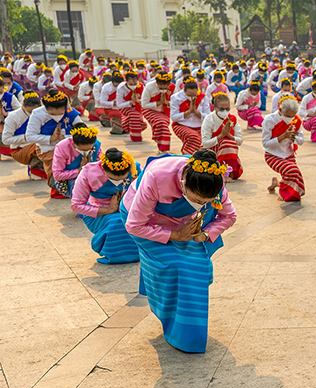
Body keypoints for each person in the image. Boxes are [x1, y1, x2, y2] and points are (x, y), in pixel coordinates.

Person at [122, 149, 237, 353]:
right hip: (145, 222)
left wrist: (206, 234)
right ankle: (176, 327)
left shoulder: (213, 182)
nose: (200, 206)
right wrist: (174, 235)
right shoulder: (156, 177)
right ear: (183, 183)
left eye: (205, 202)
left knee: (197, 267)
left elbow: (229, 216)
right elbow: (134, 225)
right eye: (196, 200)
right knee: (173, 265)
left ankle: (186, 328)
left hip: (184, 226)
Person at [71, 148, 140, 264]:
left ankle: (135, 253)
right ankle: (114, 255)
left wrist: (126, 206)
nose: (118, 181)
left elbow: (144, 195)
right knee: (117, 222)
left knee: (132, 221)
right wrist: (108, 210)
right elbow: (76, 205)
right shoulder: (89, 172)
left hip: (129, 209)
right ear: (103, 169)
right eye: (113, 178)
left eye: (122, 179)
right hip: (98, 212)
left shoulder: (135, 169)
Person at [26, 89, 85, 195]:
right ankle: (61, 190)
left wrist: (65, 138)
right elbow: (30, 136)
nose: (58, 117)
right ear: (46, 108)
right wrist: (50, 139)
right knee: (58, 165)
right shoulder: (38, 114)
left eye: (61, 112)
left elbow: (82, 131)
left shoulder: (71, 112)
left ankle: (78, 187)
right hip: (47, 148)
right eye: (53, 113)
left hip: (71, 146)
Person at [262, 95, 305, 201]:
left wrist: (292, 137)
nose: (290, 119)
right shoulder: (270, 120)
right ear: (280, 110)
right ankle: (283, 193)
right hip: (273, 155)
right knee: (292, 170)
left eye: (292, 116)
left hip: (288, 154)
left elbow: (301, 140)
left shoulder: (296, 121)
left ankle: (277, 184)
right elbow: (265, 143)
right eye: (288, 116)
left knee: (295, 174)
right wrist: (282, 137)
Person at [2, 91, 48, 180]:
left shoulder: (41, 113)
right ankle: (36, 172)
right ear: (23, 105)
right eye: (30, 111)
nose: (33, 114)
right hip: (19, 149)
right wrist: (26, 137)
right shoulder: (12, 117)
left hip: (34, 144)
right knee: (40, 146)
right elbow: (5, 140)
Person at [201, 92, 243, 181]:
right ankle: (221, 173)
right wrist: (221, 135)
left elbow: (239, 141)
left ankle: (228, 171)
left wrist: (229, 136)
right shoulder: (209, 119)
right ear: (214, 107)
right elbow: (205, 143)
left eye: (227, 109)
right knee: (225, 143)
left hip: (229, 152)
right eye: (221, 109)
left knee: (228, 142)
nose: (225, 112)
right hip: (212, 152)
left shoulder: (232, 119)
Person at [51, 125, 102, 198]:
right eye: (82, 150)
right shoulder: (62, 147)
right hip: (68, 179)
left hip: (92, 174)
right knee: (81, 189)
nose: (86, 152)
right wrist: (79, 170)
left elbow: (101, 165)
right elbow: (57, 175)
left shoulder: (95, 144)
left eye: (89, 149)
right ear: (73, 142)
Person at [170, 77, 210, 155]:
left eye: (194, 95)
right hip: (181, 124)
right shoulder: (176, 97)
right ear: (184, 91)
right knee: (194, 138)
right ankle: (187, 158)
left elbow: (207, 115)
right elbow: (174, 117)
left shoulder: (203, 97)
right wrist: (188, 112)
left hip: (199, 125)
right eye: (189, 95)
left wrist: (196, 112)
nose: (192, 97)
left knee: (205, 144)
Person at [141, 71, 174, 154]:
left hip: (165, 112)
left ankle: (161, 144)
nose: (163, 90)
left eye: (166, 87)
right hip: (150, 110)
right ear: (157, 83)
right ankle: (163, 149)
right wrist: (157, 103)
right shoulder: (149, 87)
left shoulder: (173, 87)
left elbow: (176, 103)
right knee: (161, 123)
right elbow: (144, 104)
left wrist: (167, 103)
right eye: (161, 88)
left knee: (162, 125)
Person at [116, 70, 146, 143]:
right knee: (134, 115)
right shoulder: (121, 88)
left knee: (137, 117)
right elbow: (119, 105)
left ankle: (136, 132)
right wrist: (130, 102)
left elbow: (145, 100)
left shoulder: (141, 86)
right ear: (126, 81)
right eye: (131, 84)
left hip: (138, 106)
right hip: (125, 107)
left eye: (135, 84)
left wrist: (138, 101)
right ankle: (135, 137)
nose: (133, 85)